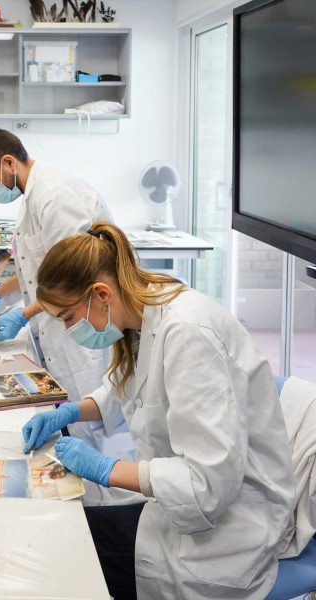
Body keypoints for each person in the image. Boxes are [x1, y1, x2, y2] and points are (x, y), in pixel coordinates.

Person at [21, 221, 296, 599]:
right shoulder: (141, 313)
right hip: (174, 508)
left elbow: (207, 484)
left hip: (226, 534)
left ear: (101, 293)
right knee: (63, 532)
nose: (69, 329)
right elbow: (126, 393)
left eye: (68, 318)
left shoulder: (188, 333)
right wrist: (69, 412)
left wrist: (107, 470)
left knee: (63, 557)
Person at [0, 127, 137, 506]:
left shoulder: (59, 197)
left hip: (82, 330)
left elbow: (74, 278)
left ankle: (98, 516)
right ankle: (86, 505)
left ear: (8, 162)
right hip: (60, 329)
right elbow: (36, 264)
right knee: (70, 424)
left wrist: (22, 314)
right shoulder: (30, 198)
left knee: (90, 431)